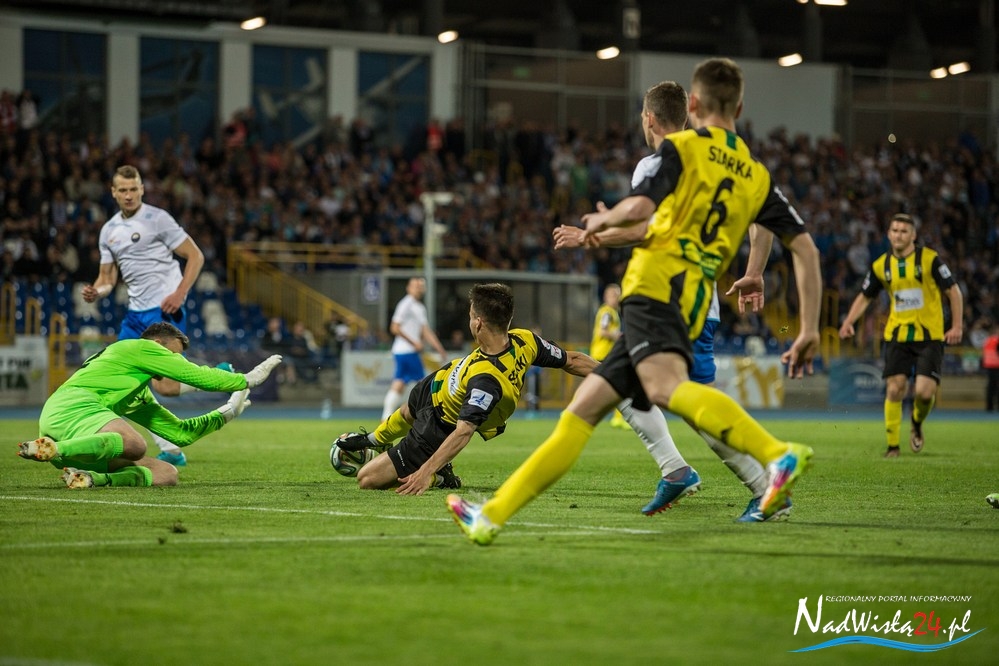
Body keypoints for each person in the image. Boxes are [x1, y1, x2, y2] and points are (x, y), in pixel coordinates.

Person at [448, 57, 823, 545]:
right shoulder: (754, 174)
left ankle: (775, 453)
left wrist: (599, 224)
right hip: (691, 297)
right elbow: (805, 249)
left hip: (657, 289)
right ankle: (491, 517)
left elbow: (642, 210)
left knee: (667, 390)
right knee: (581, 411)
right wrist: (804, 322)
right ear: (739, 107)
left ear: (693, 104)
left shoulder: (680, 149)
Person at [553, 80, 782, 522]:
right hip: (694, 299)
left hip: (668, 299)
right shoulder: (725, 163)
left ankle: (766, 479)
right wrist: (754, 269)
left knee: (688, 402)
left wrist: (592, 234)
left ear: (649, 118)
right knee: (620, 385)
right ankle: (679, 469)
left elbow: (644, 229)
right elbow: (764, 220)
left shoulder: (657, 162)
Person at [333, 283, 597, 495]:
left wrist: (426, 471)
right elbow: (571, 359)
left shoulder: (486, 381)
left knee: (366, 479)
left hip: (437, 426)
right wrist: (611, 374)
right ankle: (372, 441)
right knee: (405, 412)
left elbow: (463, 431)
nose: (469, 321)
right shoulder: (524, 340)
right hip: (441, 380)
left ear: (478, 323)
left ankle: (440, 476)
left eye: (471, 316)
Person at [15, 323, 282, 489]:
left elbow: (179, 433)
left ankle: (90, 478)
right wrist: (246, 380)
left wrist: (227, 413)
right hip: (71, 406)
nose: (175, 361)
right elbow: (194, 374)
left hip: (78, 443)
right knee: (136, 444)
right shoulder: (139, 347)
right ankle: (51, 447)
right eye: (173, 355)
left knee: (166, 474)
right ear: (156, 344)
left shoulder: (136, 391)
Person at [81, 165, 207, 467]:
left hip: (164, 311)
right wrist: (97, 292)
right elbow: (107, 278)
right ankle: (171, 451)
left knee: (166, 387)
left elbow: (195, 255)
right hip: (134, 315)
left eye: (133, 189)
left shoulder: (158, 219)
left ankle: (218, 373)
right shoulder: (109, 230)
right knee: (122, 385)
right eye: (123, 190)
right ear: (113, 192)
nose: (129, 195)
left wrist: (180, 293)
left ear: (141, 189)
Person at [839, 213, 963, 458]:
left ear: (913, 235)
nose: (899, 235)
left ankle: (916, 422)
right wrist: (849, 321)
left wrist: (957, 326)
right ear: (888, 234)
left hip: (930, 335)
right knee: (895, 388)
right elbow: (865, 296)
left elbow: (953, 291)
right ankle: (893, 446)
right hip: (897, 335)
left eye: (904, 231)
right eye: (895, 230)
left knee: (924, 393)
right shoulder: (881, 266)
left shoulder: (930, 259)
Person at [381, 276, 448, 421]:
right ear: (408, 288)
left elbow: (425, 331)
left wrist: (439, 348)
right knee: (424, 384)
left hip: (403, 351)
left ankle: (386, 416)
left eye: (421, 286)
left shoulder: (419, 307)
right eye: (416, 286)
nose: (419, 289)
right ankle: (427, 416)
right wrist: (414, 343)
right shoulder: (406, 304)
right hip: (407, 351)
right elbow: (394, 327)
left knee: (399, 382)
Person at [591, 284, 630, 430]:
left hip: (606, 354)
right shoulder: (607, 312)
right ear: (606, 296)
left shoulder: (612, 312)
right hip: (602, 354)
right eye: (614, 295)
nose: (617, 299)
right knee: (618, 384)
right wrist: (619, 336)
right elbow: (603, 331)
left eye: (618, 296)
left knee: (617, 384)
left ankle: (618, 418)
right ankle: (618, 418)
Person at [982, 320, 999, 412]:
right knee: (996, 386)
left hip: (989, 365)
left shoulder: (987, 340)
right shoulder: (997, 340)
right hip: (996, 365)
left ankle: (989, 406)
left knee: (991, 386)